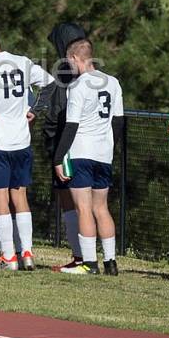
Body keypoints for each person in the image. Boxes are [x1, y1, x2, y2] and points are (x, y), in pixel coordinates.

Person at [0, 23, 54, 270]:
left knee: (0, 199)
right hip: (21, 141)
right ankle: (27, 253)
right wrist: (34, 110)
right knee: (20, 198)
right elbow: (50, 84)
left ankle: (9, 257)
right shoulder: (23, 61)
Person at [53, 39, 124, 275]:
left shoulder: (78, 86)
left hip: (82, 151)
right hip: (104, 154)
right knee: (101, 208)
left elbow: (71, 125)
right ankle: (111, 262)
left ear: (74, 58)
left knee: (83, 208)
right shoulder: (113, 83)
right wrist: (110, 146)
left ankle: (90, 263)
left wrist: (58, 158)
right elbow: (118, 122)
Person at [42, 22, 88, 269]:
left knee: (72, 204)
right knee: (90, 204)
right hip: (94, 148)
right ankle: (90, 257)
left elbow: (56, 114)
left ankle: (81, 257)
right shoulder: (95, 75)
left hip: (67, 147)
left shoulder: (64, 73)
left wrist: (53, 147)